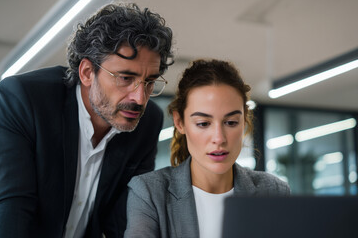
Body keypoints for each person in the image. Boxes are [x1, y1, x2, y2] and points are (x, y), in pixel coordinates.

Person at [0, 3, 173, 238]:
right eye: (125, 78)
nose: (140, 98)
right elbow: (12, 212)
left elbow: (126, 220)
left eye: (150, 81)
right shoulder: (24, 100)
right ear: (87, 72)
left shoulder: (148, 121)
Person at [124, 59, 290, 238]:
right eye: (203, 123)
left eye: (231, 122)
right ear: (180, 123)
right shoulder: (148, 192)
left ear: (245, 121)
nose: (219, 138)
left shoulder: (273, 191)